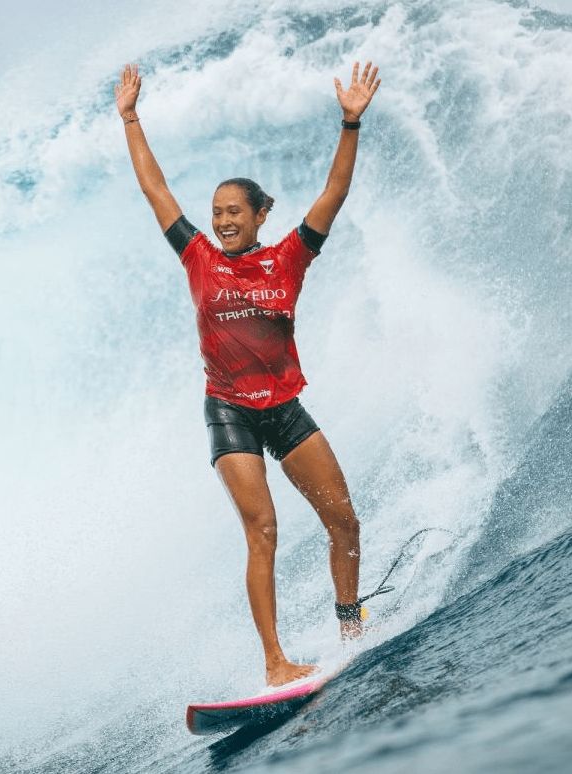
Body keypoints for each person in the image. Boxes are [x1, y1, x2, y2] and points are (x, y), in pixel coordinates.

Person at [114, 60, 381, 686]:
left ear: (262, 213)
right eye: (217, 212)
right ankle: (275, 662)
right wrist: (130, 118)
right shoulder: (198, 257)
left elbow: (334, 194)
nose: (223, 220)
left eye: (236, 211)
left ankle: (352, 628)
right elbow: (157, 191)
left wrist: (349, 123)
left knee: (343, 521)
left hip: (284, 405)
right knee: (262, 531)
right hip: (229, 408)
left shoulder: (289, 258)